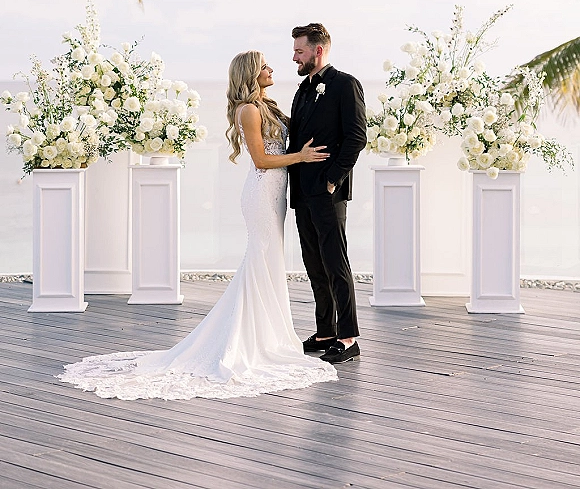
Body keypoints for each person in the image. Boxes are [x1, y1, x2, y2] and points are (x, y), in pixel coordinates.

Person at [58, 51, 337, 400]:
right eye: (264, 66)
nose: (271, 69)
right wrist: (301, 157)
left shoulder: (268, 105)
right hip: (262, 192)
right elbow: (261, 159)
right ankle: (249, 338)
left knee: (269, 261)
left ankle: (268, 333)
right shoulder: (248, 110)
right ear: (251, 73)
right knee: (260, 259)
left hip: (277, 193)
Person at [288, 23, 367, 364]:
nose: (294, 57)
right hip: (302, 191)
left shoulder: (345, 84)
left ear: (317, 51)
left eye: (299, 51)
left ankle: (348, 338)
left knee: (336, 263)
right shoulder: (303, 89)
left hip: (328, 192)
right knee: (313, 263)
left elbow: (356, 137)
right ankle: (325, 332)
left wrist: (333, 179)